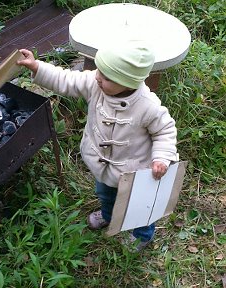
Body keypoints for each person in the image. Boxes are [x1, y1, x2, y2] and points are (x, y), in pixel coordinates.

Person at [17, 42, 178, 251]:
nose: (97, 77)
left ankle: (142, 235)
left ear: (127, 83)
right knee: (105, 194)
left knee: (140, 207)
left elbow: (165, 131)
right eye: (99, 70)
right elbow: (67, 79)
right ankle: (109, 215)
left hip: (134, 171)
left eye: (106, 76)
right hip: (104, 166)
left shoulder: (147, 106)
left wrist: (161, 158)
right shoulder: (96, 84)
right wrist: (37, 66)